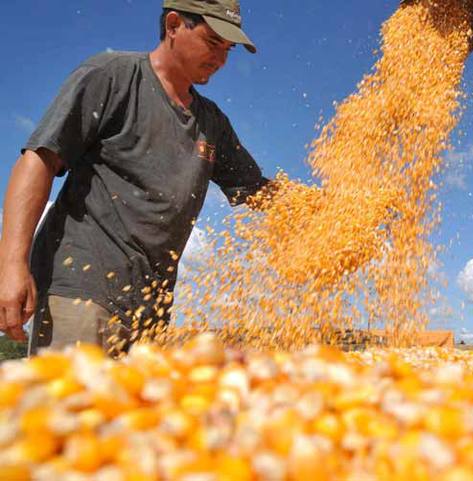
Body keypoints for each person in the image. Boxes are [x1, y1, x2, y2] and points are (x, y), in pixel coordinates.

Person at [0, 0, 271, 356]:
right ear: (174, 25)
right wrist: (11, 265)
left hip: (151, 312)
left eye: (228, 50)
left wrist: (331, 211)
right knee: (75, 407)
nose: (220, 59)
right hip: (83, 291)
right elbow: (39, 160)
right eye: (212, 42)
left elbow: (261, 192)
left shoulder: (212, 124)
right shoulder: (112, 76)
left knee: (137, 409)